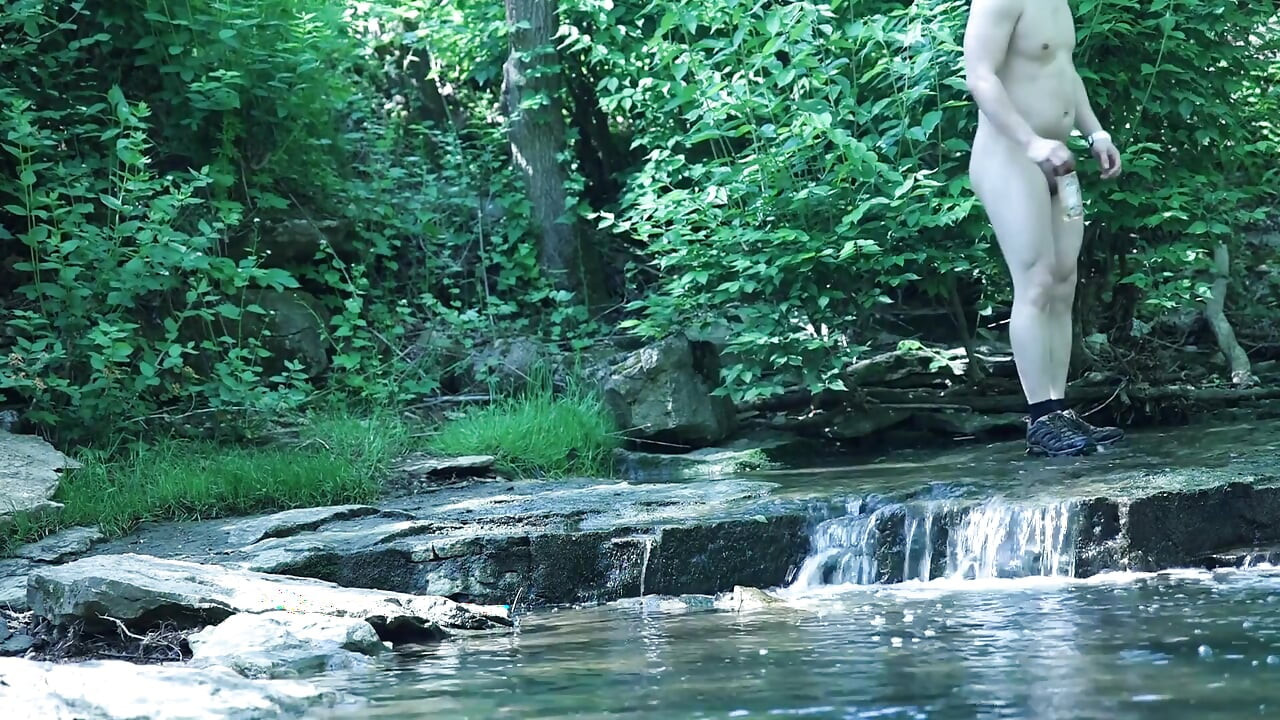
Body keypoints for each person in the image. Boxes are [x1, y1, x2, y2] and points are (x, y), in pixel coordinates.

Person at [963, 0, 1126, 457]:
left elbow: (1064, 72)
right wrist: (1031, 142)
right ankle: (1041, 416)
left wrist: (1096, 133)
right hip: (1011, 156)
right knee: (1034, 280)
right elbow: (980, 75)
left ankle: (1060, 410)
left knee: (1062, 282)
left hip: (1060, 159)